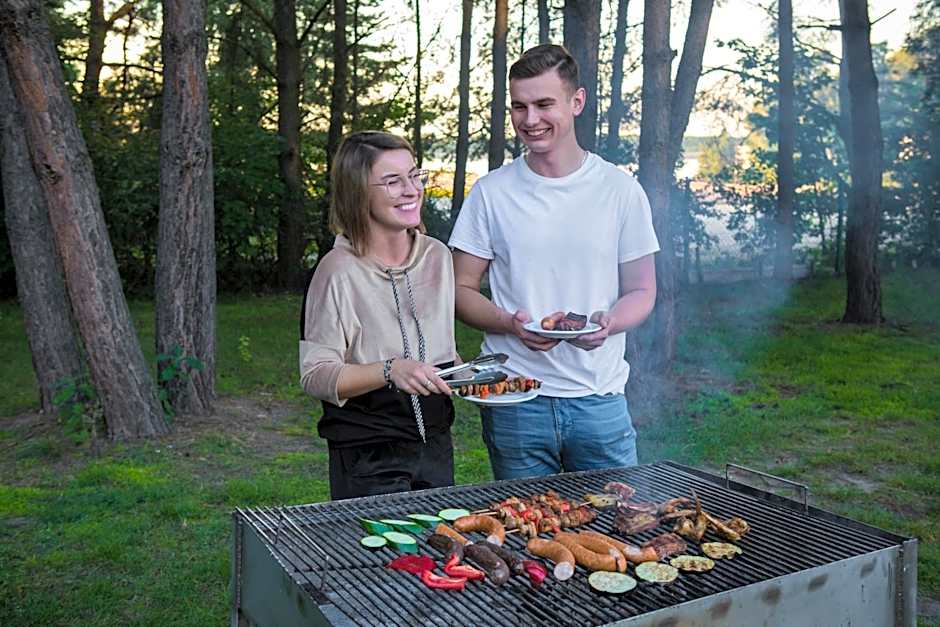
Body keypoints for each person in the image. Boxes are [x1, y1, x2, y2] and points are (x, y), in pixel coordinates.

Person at [448, 44, 659, 480]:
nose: (530, 120)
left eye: (544, 104)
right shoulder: (491, 192)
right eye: (519, 107)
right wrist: (511, 324)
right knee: (528, 539)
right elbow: (460, 290)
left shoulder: (620, 191)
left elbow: (642, 289)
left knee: (617, 529)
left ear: (576, 101)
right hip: (515, 399)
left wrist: (609, 322)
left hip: (598, 397)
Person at [300, 131, 458, 500]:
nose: (411, 190)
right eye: (392, 181)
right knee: (379, 558)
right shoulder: (336, 271)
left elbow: (438, 349)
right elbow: (315, 375)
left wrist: (471, 375)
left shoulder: (438, 257)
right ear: (358, 192)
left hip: (436, 444)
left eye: (414, 175)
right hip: (368, 455)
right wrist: (390, 370)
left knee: (440, 556)